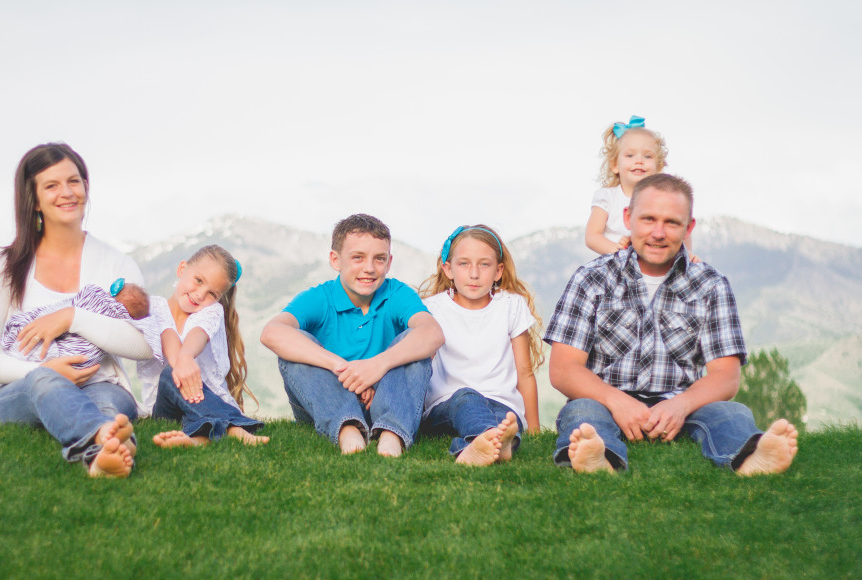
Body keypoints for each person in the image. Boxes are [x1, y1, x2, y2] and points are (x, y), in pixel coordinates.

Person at [546, 173, 798, 475]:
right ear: (628, 218)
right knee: (583, 412)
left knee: (732, 413)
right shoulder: (591, 278)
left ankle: (750, 460)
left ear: (688, 227)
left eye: (672, 223)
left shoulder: (710, 285)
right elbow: (563, 369)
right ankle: (600, 459)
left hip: (685, 408)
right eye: (649, 219)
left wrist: (681, 405)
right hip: (606, 401)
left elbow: (726, 377)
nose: (658, 232)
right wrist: (618, 401)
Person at [0, 142, 152, 479]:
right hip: (23, 389)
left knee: (107, 405)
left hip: (99, 383)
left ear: (86, 186)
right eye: (52, 185)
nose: (68, 192)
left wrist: (73, 317)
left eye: (74, 181)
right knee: (44, 381)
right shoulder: (8, 267)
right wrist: (42, 371)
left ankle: (102, 453)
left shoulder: (115, 263)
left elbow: (144, 345)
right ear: (34, 201)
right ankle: (109, 439)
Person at [260, 213, 445, 457]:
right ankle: (347, 430)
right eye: (358, 258)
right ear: (336, 260)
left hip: (384, 400)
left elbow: (432, 333)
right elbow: (271, 332)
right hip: (326, 402)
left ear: (389, 263)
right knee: (295, 350)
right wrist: (346, 370)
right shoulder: (319, 297)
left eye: (379, 259)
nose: (369, 268)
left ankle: (392, 435)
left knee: (414, 342)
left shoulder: (398, 293)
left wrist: (376, 367)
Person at [418, 225, 544, 466]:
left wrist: (535, 430)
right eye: (464, 264)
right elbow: (421, 369)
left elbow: (525, 373)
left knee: (505, 417)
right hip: (447, 404)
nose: (474, 273)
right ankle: (495, 439)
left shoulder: (511, 306)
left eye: (484, 265)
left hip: (501, 401)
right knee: (467, 398)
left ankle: (478, 447)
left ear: (498, 271)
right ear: (448, 269)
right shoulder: (431, 309)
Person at [138, 244, 269, 448]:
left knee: (177, 370)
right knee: (170, 374)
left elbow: (198, 334)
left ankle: (197, 440)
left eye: (212, 294)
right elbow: (168, 338)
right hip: (165, 409)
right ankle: (233, 427)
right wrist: (182, 361)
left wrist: (187, 356)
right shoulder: (154, 307)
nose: (200, 295)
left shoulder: (212, 312)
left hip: (204, 402)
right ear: (182, 269)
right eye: (198, 281)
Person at [585, 116, 695, 261]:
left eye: (648, 156)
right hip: (616, 266)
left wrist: (686, 254)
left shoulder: (664, 199)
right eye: (630, 155)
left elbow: (679, 226)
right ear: (615, 165)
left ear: (659, 166)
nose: (639, 161)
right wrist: (619, 252)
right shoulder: (607, 197)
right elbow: (592, 236)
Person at [1, 279, 158, 370]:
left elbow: (149, 347)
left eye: (115, 289)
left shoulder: (101, 300)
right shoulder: (13, 262)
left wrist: (72, 317)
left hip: (98, 382)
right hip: (27, 374)